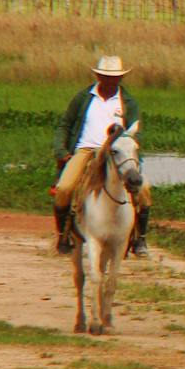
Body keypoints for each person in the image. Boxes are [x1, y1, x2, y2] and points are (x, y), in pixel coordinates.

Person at [52, 55, 151, 255]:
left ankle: (140, 239)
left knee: (143, 191)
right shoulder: (83, 98)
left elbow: (135, 131)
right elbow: (66, 124)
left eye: (114, 77)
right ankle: (63, 235)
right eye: (105, 76)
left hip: (116, 153)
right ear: (98, 76)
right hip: (86, 150)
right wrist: (61, 151)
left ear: (120, 78)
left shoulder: (128, 103)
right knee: (64, 188)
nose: (110, 80)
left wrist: (126, 144)